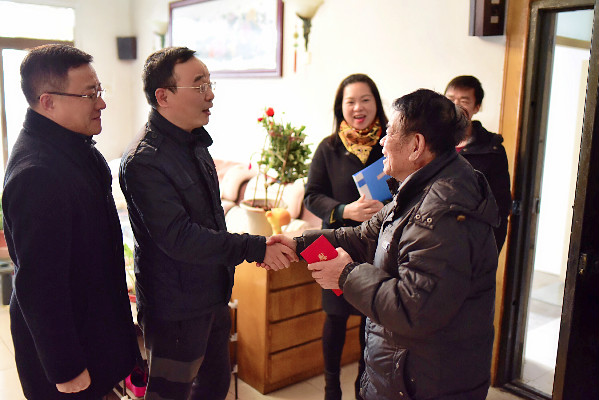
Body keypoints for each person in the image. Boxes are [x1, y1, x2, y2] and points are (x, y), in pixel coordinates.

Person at [267, 89, 500, 399]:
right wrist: (298, 244)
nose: (382, 142)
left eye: (390, 133)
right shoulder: (419, 189)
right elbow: (363, 236)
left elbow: (412, 309)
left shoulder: (440, 214)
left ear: (416, 146)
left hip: (425, 383)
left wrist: (346, 274)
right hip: (406, 372)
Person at [119, 47, 296, 400]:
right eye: (199, 85)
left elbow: (212, 222)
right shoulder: (144, 161)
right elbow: (180, 238)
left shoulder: (196, 143)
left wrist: (249, 250)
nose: (210, 94)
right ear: (163, 96)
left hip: (213, 295)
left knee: (215, 387)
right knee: (171, 394)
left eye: (210, 84)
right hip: (175, 309)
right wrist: (253, 247)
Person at [2, 44, 140, 399]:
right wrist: (66, 368)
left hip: (94, 334)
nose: (101, 103)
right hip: (71, 357)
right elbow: (40, 286)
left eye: (99, 91)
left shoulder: (73, 148)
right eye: (89, 94)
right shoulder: (37, 174)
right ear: (48, 102)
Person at [303, 73, 387, 400]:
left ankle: (363, 387)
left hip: (379, 245)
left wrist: (386, 207)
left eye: (365, 99)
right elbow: (312, 196)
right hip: (335, 245)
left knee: (372, 321)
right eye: (350, 101)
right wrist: (344, 210)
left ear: (376, 103)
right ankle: (331, 388)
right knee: (335, 318)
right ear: (341, 106)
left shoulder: (390, 145)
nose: (358, 108)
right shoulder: (329, 148)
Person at [445, 75, 511, 252]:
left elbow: (500, 209)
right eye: (450, 99)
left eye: (464, 100)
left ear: (477, 106)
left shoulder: (492, 150)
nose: (456, 105)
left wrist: (490, 255)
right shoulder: (429, 142)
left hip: (469, 245)